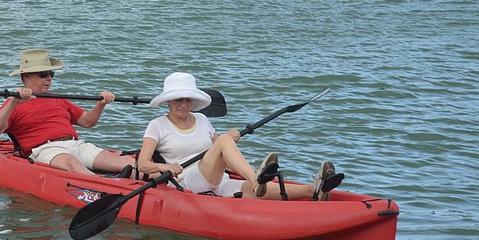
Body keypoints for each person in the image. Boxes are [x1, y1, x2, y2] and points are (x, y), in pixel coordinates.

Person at [137, 72, 343, 200]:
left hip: (218, 178)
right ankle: (255, 178)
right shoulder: (157, 126)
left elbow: (219, 150)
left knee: (228, 145)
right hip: (186, 182)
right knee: (225, 141)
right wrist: (166, 167)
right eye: (178, 100)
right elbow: (143, 164)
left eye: (188, 100)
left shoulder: (202, 120)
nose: (183, 104)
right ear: (168, 102)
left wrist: (230, 141)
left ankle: (313, 189)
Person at [0, 48, 133, 176]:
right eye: (43, 74)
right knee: (73, 165)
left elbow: (87, 122)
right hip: (46, 149)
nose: (49, 78)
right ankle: (106, 190)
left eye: (51, 73)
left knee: (123, 161)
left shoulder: (57, 98)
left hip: (76, 145)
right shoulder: (13, 103)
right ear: (26, 76)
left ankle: (151, 181)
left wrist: (101, 104)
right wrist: (14, 102)